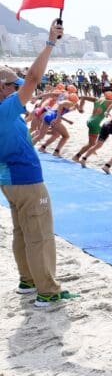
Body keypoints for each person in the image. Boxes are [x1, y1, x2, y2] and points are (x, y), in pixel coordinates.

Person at [0, 20, 79, 307]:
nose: (18, 90)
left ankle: (28, 281)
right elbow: (33, 79)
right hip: (26, 180)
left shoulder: (5, 109)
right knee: (40, 236)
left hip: (8, 181)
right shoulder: (5, 109)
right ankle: (48, 292)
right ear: (2, 87)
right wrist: (50, 42)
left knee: (22, 232)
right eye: (13, 86)